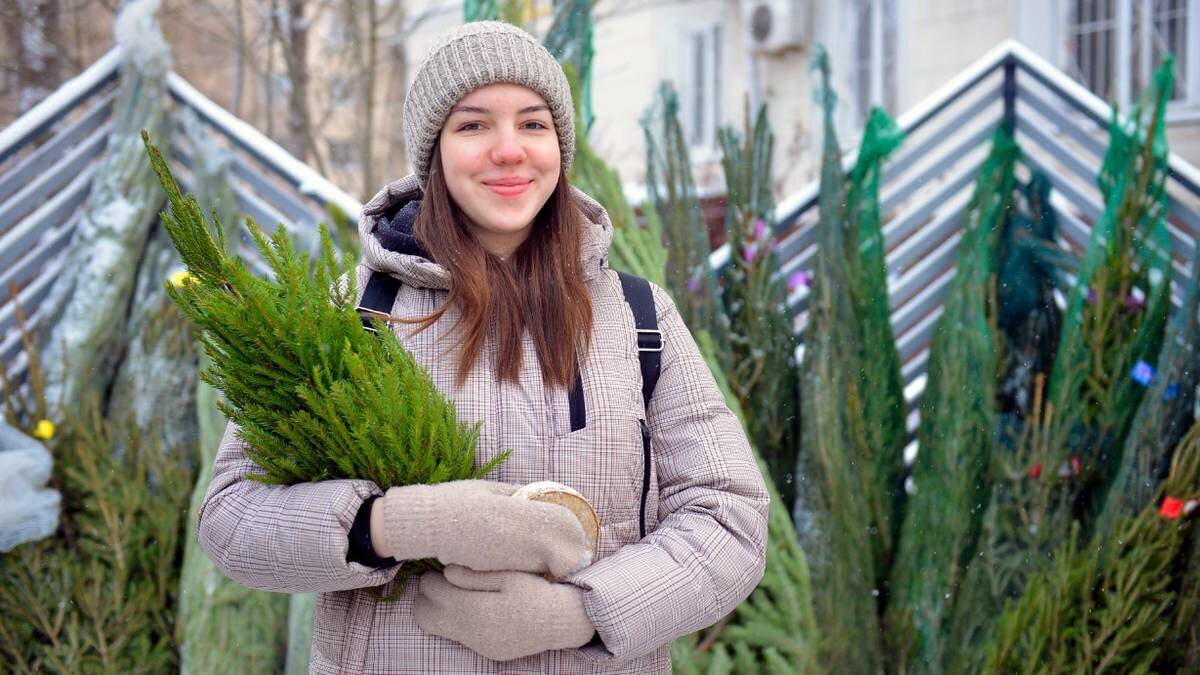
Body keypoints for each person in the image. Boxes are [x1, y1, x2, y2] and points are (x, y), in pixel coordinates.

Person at [197, 20, 769, 674]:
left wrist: (578, 615)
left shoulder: (638, 316)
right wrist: (399, 523)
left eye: (533, 124)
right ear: (433, 150)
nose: (509, 150)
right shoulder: (352, 314)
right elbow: (233, 520)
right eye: (473, 125)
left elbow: (729, 520)